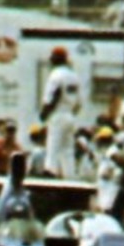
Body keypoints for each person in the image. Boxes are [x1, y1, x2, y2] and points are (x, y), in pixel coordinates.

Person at [39, 46, 83, 179]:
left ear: (57, 59)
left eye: (53, 58)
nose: (51, 60)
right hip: (70, 114)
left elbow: (54, 95)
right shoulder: (74, 76)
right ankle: (70, 177)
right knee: (67, 150)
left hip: (58, 113)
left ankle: (50, 172)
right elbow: (79, 103)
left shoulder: (56, 75)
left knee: (53, 146)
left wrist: (44, 113)